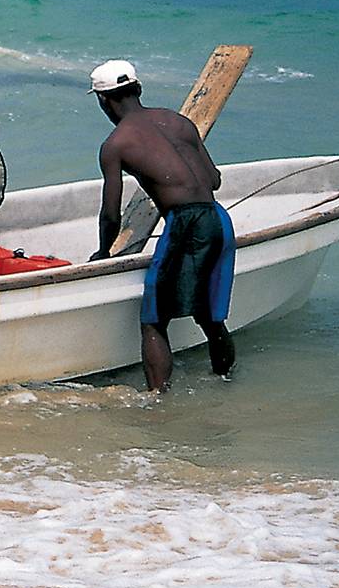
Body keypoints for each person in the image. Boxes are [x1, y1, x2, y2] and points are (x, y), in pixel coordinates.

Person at [88, 59, 235, 393]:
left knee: (154, 321)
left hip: (185, 224)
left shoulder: (116, 144)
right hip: (219, 219)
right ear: (138, 89)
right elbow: (213, 179)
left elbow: (111, 212)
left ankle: (157, 402)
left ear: (104, 102)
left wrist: (103, 252)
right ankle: (227, 385)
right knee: (211, 317)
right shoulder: (180, 122)